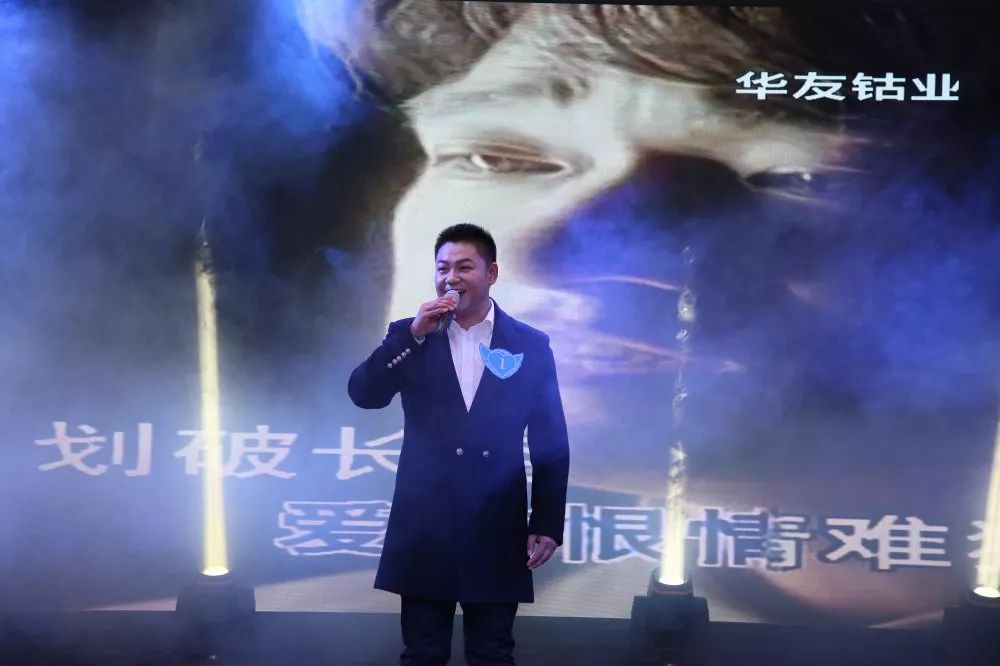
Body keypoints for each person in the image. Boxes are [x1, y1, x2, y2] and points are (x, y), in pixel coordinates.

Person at [348, 223, 570, 665]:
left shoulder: (529, 344)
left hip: (496, 519)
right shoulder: (410, 335)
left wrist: (546, 520)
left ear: (492, 274)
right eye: (442, 268)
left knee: (492, 652)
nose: (451, 278)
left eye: (464, 267)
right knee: (423, 652)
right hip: (426, 521)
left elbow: (551, 438)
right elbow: (364, 394)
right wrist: (412, 335)